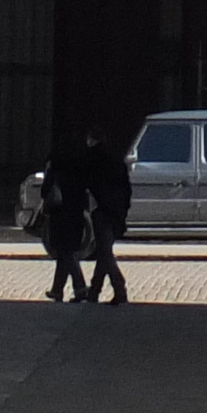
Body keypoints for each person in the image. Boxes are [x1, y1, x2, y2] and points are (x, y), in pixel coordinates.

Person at [76, 127, 130, 305]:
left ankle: (119, 287)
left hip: (101, 209)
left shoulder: (92, 159)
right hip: (116, 210)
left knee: (105, 252)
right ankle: (94, 291)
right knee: (103, 250)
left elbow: (87, 184)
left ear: (91, 140)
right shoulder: (115, 158)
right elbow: (126, 188)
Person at [37, 155, 90, 303]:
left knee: (65, 252)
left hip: (60, 215)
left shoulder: (56, 167)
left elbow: (45, 190)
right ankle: (57, 289)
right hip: (76, 213)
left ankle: (80, 287)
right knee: (65, 253)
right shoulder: (80, 166)